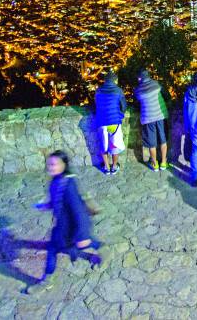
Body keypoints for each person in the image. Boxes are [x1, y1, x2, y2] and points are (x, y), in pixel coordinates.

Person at [25, 150, 102, 293]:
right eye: (49, 164)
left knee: (81, 244)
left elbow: (78, 212)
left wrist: (82, 235)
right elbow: (57, 201)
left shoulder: (68, 185)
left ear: (63, 165)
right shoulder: (56, 180)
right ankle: (47, 280)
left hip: (71, 228)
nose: (51, 167)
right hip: (62, 227)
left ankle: (101, 247)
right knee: (53, 249)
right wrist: (46, 205)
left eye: (54, 164)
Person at [134, 69, 170, 171]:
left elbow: (136, 104)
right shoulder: (157, 84)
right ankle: (163, 163)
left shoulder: (137, 90)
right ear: (149, 76)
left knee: (151, 143)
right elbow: (167, 96)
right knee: (163, 140)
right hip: (161, 116)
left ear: (140, 78)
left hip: (148, 118)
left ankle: (155, 164)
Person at [93, 70, 126, 174]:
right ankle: (114, 166)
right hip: (114, 122)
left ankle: (107, 167)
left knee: (104, 145)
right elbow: (123, 106)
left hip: (101, 122)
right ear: (114, 80)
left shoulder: (98, 91)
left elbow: (96, 105)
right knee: (114, 146)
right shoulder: (118, 90)